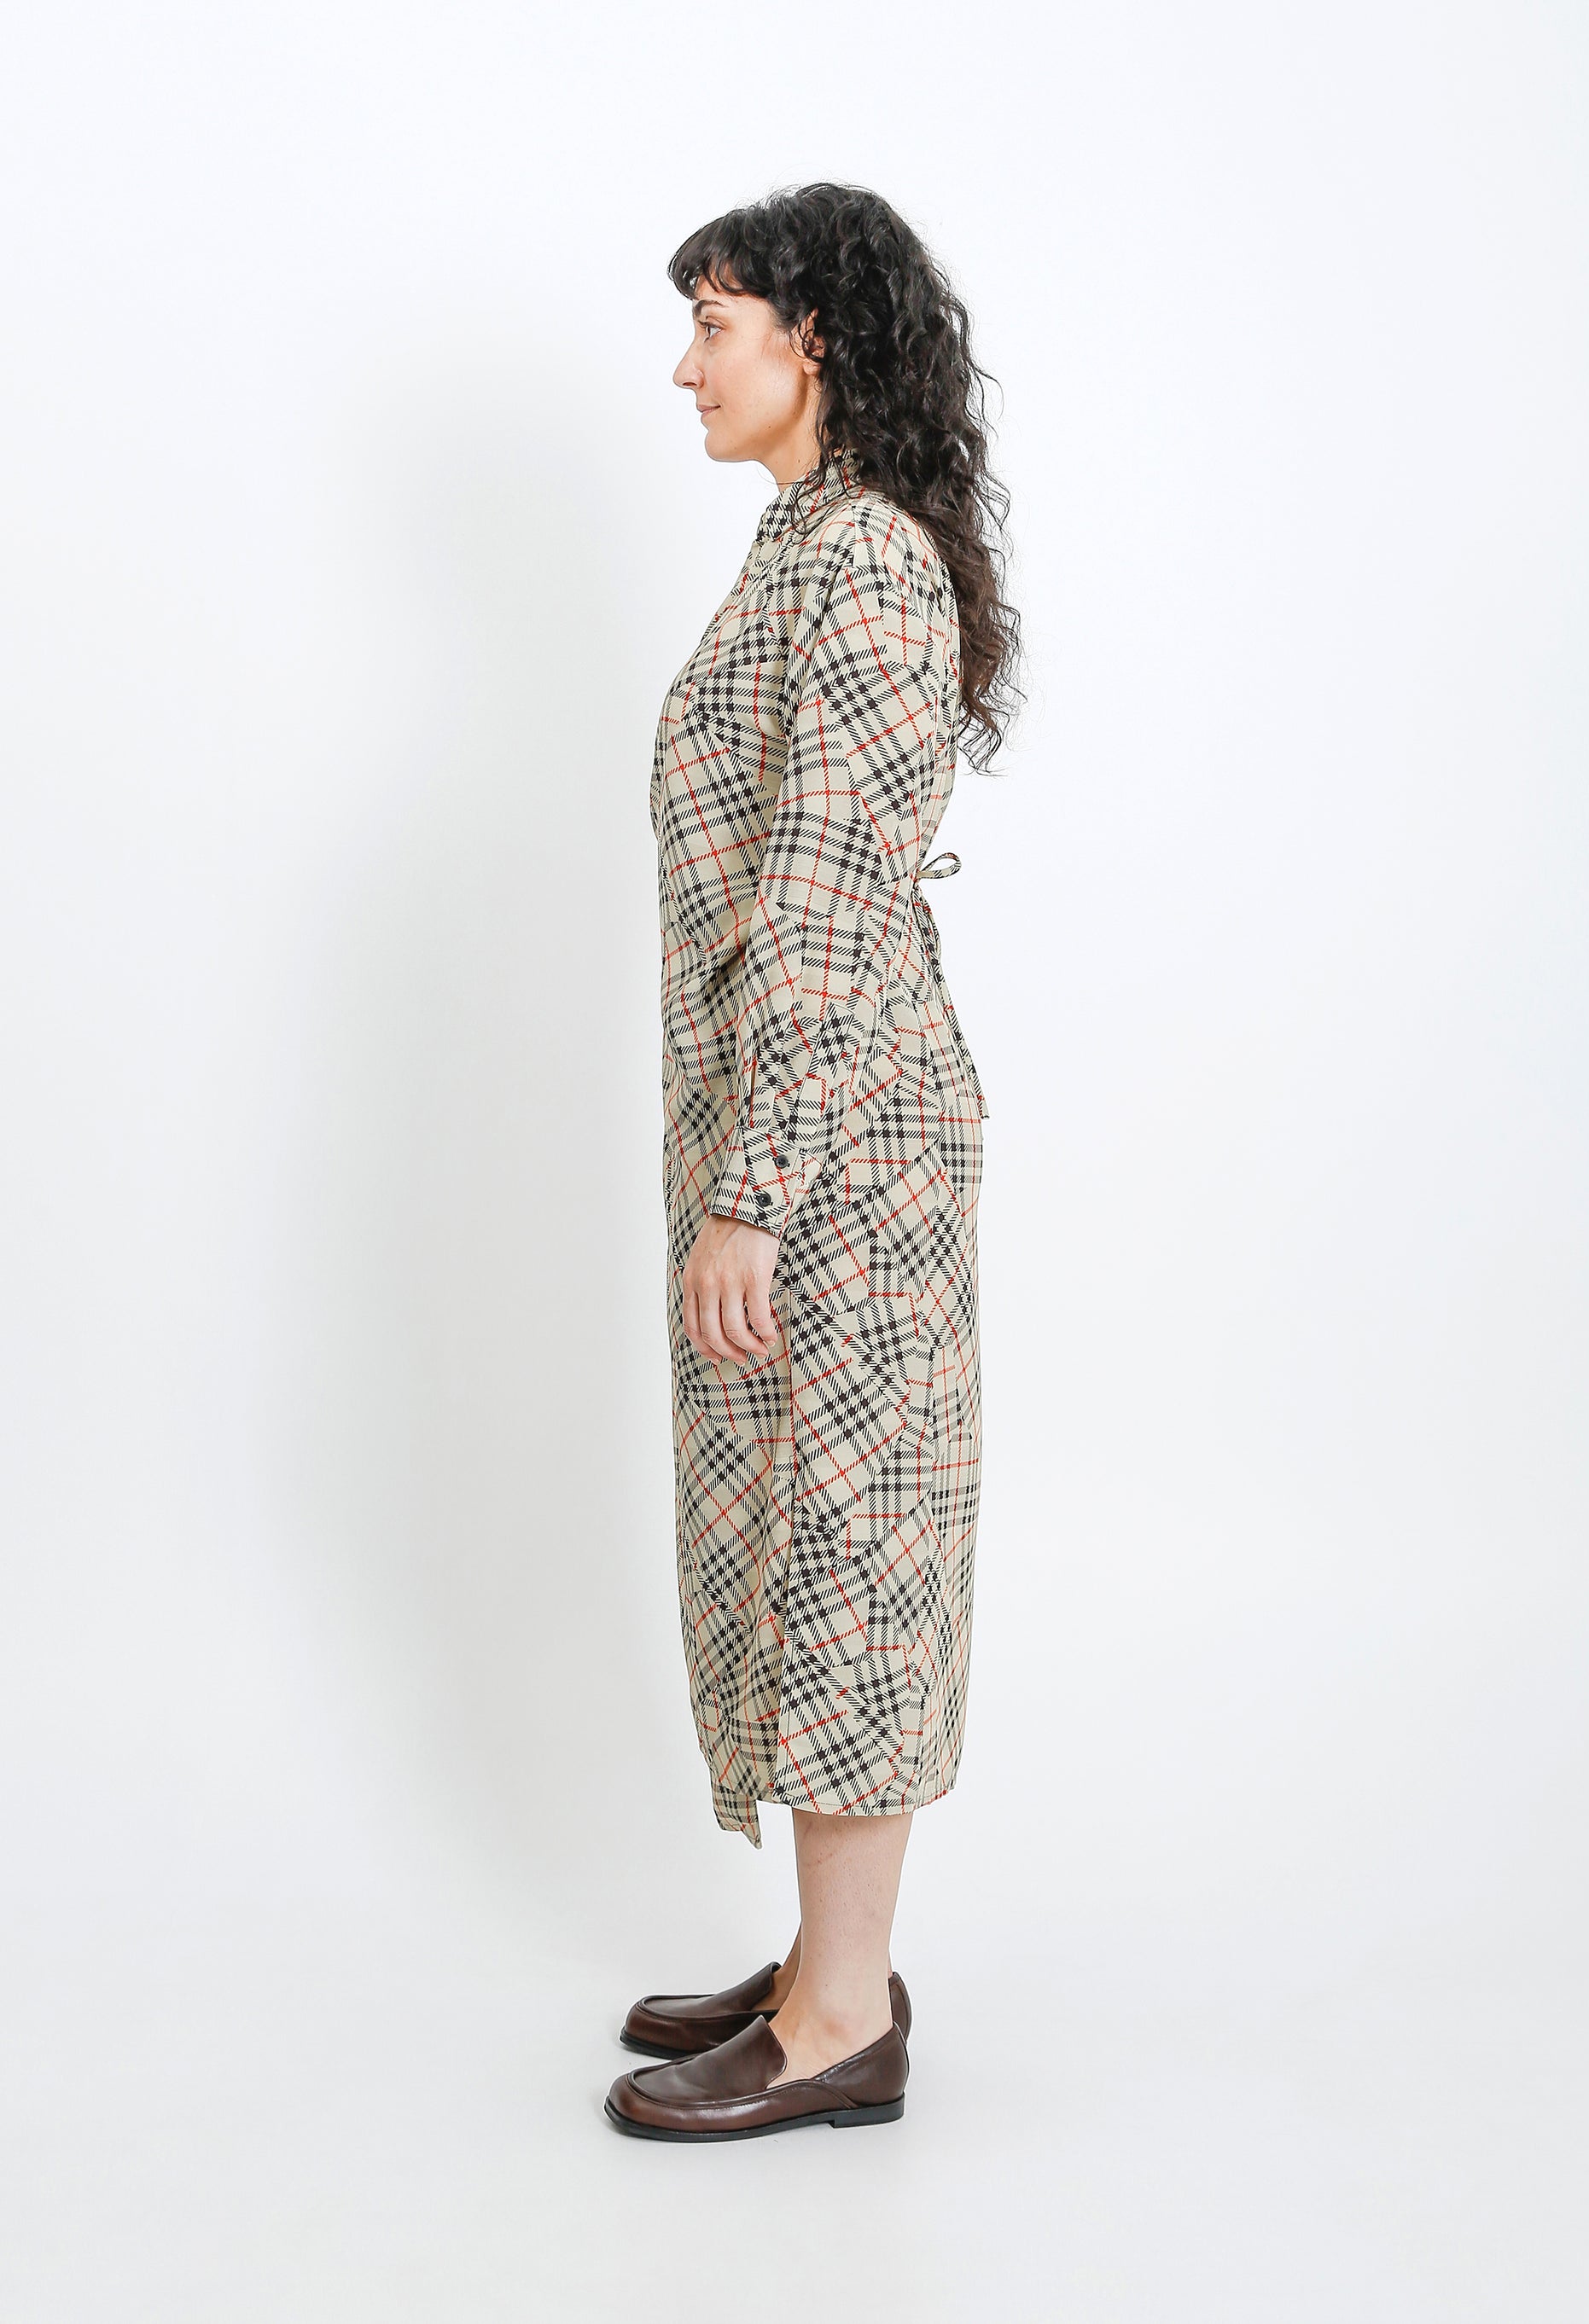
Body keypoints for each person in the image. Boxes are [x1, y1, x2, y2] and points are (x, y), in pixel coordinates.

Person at [606, 183, 1021, 2143]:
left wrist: (754, 1189)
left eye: (716, 323)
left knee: (850, 1559)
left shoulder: (863, 564)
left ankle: (843, 2021)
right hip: (804, 1121)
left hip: (840, 1143)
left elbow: (827, 900)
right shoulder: (804, 543)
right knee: (801, 1537)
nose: (686, 365)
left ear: (817, 342)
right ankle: (818, 1962)